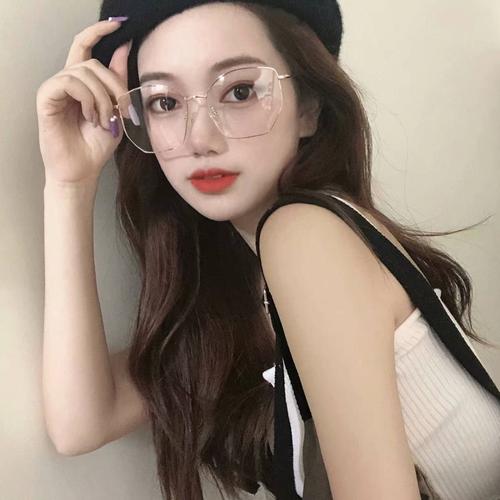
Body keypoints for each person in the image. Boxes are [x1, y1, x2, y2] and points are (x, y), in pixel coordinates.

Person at [36, 1, 500, 499]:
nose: (199, 138)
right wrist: (69, 183)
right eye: (164, 102)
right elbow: (81, 423)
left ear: (308, 108)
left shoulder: (306, 235)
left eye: (239, 91)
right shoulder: (239, 298)